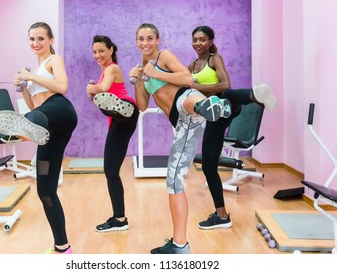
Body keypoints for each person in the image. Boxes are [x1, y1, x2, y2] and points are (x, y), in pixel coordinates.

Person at [129, 23, 231, 254]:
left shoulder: (164, 56)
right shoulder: (144, 70)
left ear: (157, 40)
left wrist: (158, 73)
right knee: (174, 181)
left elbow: (187, 78)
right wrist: (137, 82)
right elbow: (143, 106)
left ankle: (180, 245)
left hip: (187, 98)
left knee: (187, 100)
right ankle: (208, 107)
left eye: (149, 38)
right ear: (136, 42)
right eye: (141, 39)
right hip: (182, 121)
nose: (145, 43)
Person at [0, 22, 77, 254]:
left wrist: (32, 78)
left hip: (60, 111)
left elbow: (62, 86)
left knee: (35, 116)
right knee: (45, 191)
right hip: (48, 130)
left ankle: (22, 130)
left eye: (40, 38)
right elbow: (33, 104)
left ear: (50, 40)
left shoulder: (52, 61)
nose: (35, 43)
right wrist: (25, 87)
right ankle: (62, 247)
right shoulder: (35, 71)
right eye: (32, 39)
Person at [188, 25, 277, 230]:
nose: (198, 43)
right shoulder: (191, 65)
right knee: (209, 166)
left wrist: (196, 87)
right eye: (194, 39)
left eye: (202, 39)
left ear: (210, 41)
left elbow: (224, 83)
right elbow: (182, 83)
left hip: (228, 105)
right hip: (215, 116)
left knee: (225, 95)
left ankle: (254, 95)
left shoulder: (214, 59)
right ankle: (221, 216)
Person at [86, 35, 139, 232]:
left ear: (110, 50)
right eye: (94, 52)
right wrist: (96, 95)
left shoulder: (112, 68)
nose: (98, 55)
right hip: (120, 121)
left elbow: (104, 88)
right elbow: (101, 92)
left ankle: (117, 107)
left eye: (101, 51)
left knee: (108, 100)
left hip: (127, 111)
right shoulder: (103, 71)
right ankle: (119, 218)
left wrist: (93, 89)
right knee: (110, 171)